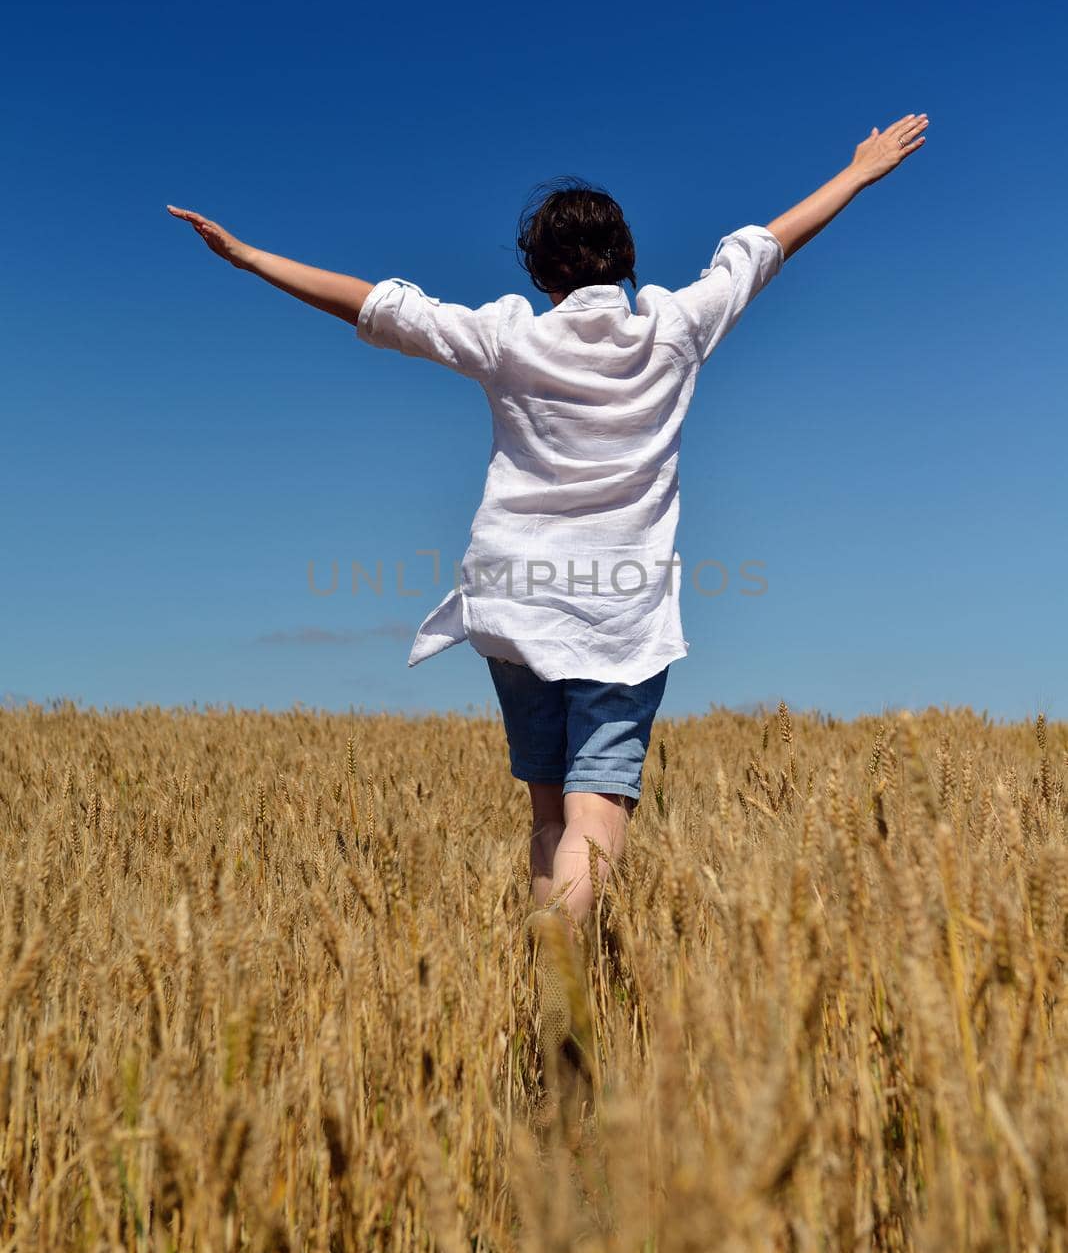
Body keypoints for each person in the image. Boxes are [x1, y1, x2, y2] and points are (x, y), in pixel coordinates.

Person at [168, 113, 928, 1057]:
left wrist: (249, 258)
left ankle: (549, 1011)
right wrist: (856, 173)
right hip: (623, 614)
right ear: (626, 257)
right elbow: (765, 245)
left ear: (541, 270)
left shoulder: (508, 337)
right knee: (596, 812)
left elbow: (376, 305)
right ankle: (567, 964)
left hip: (516, 607)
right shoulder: (678, 327)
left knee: (543, 810)